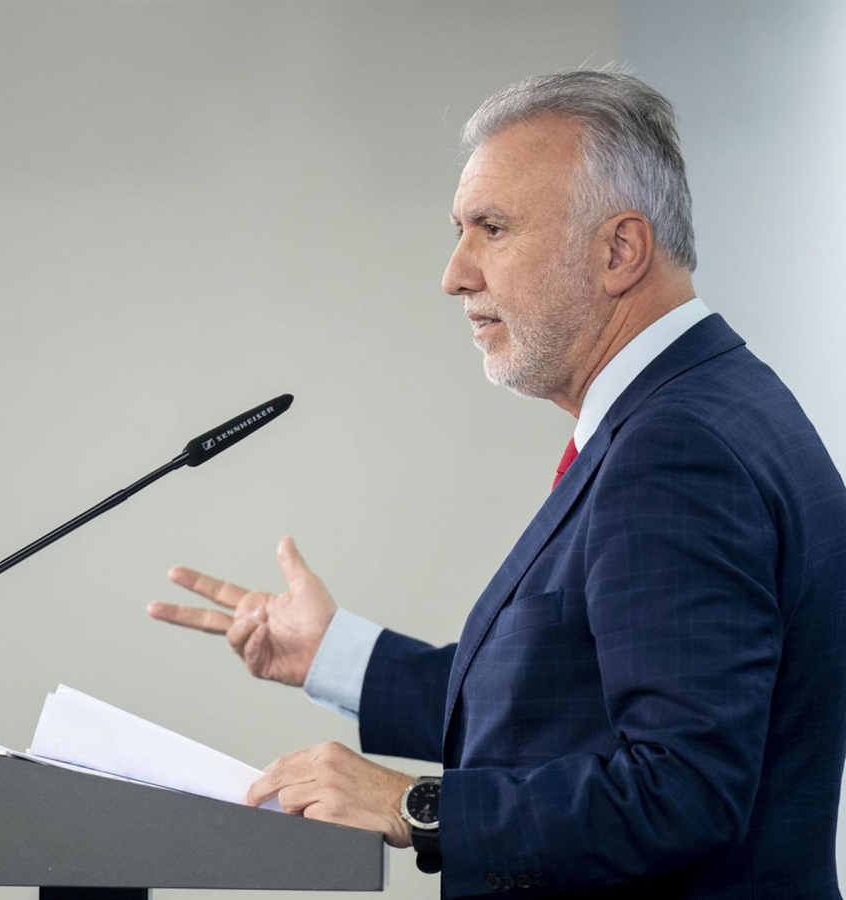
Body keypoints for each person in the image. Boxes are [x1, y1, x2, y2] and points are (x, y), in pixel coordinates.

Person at [148, 71, 846, 898]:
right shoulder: (709, 400)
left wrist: (412, 804)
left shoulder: (676, 450)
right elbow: (558, 703)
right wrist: (332, 654)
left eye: (493, 229)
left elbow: (681, 790)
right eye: (460, 231)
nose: (454, 274)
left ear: (619, 251)